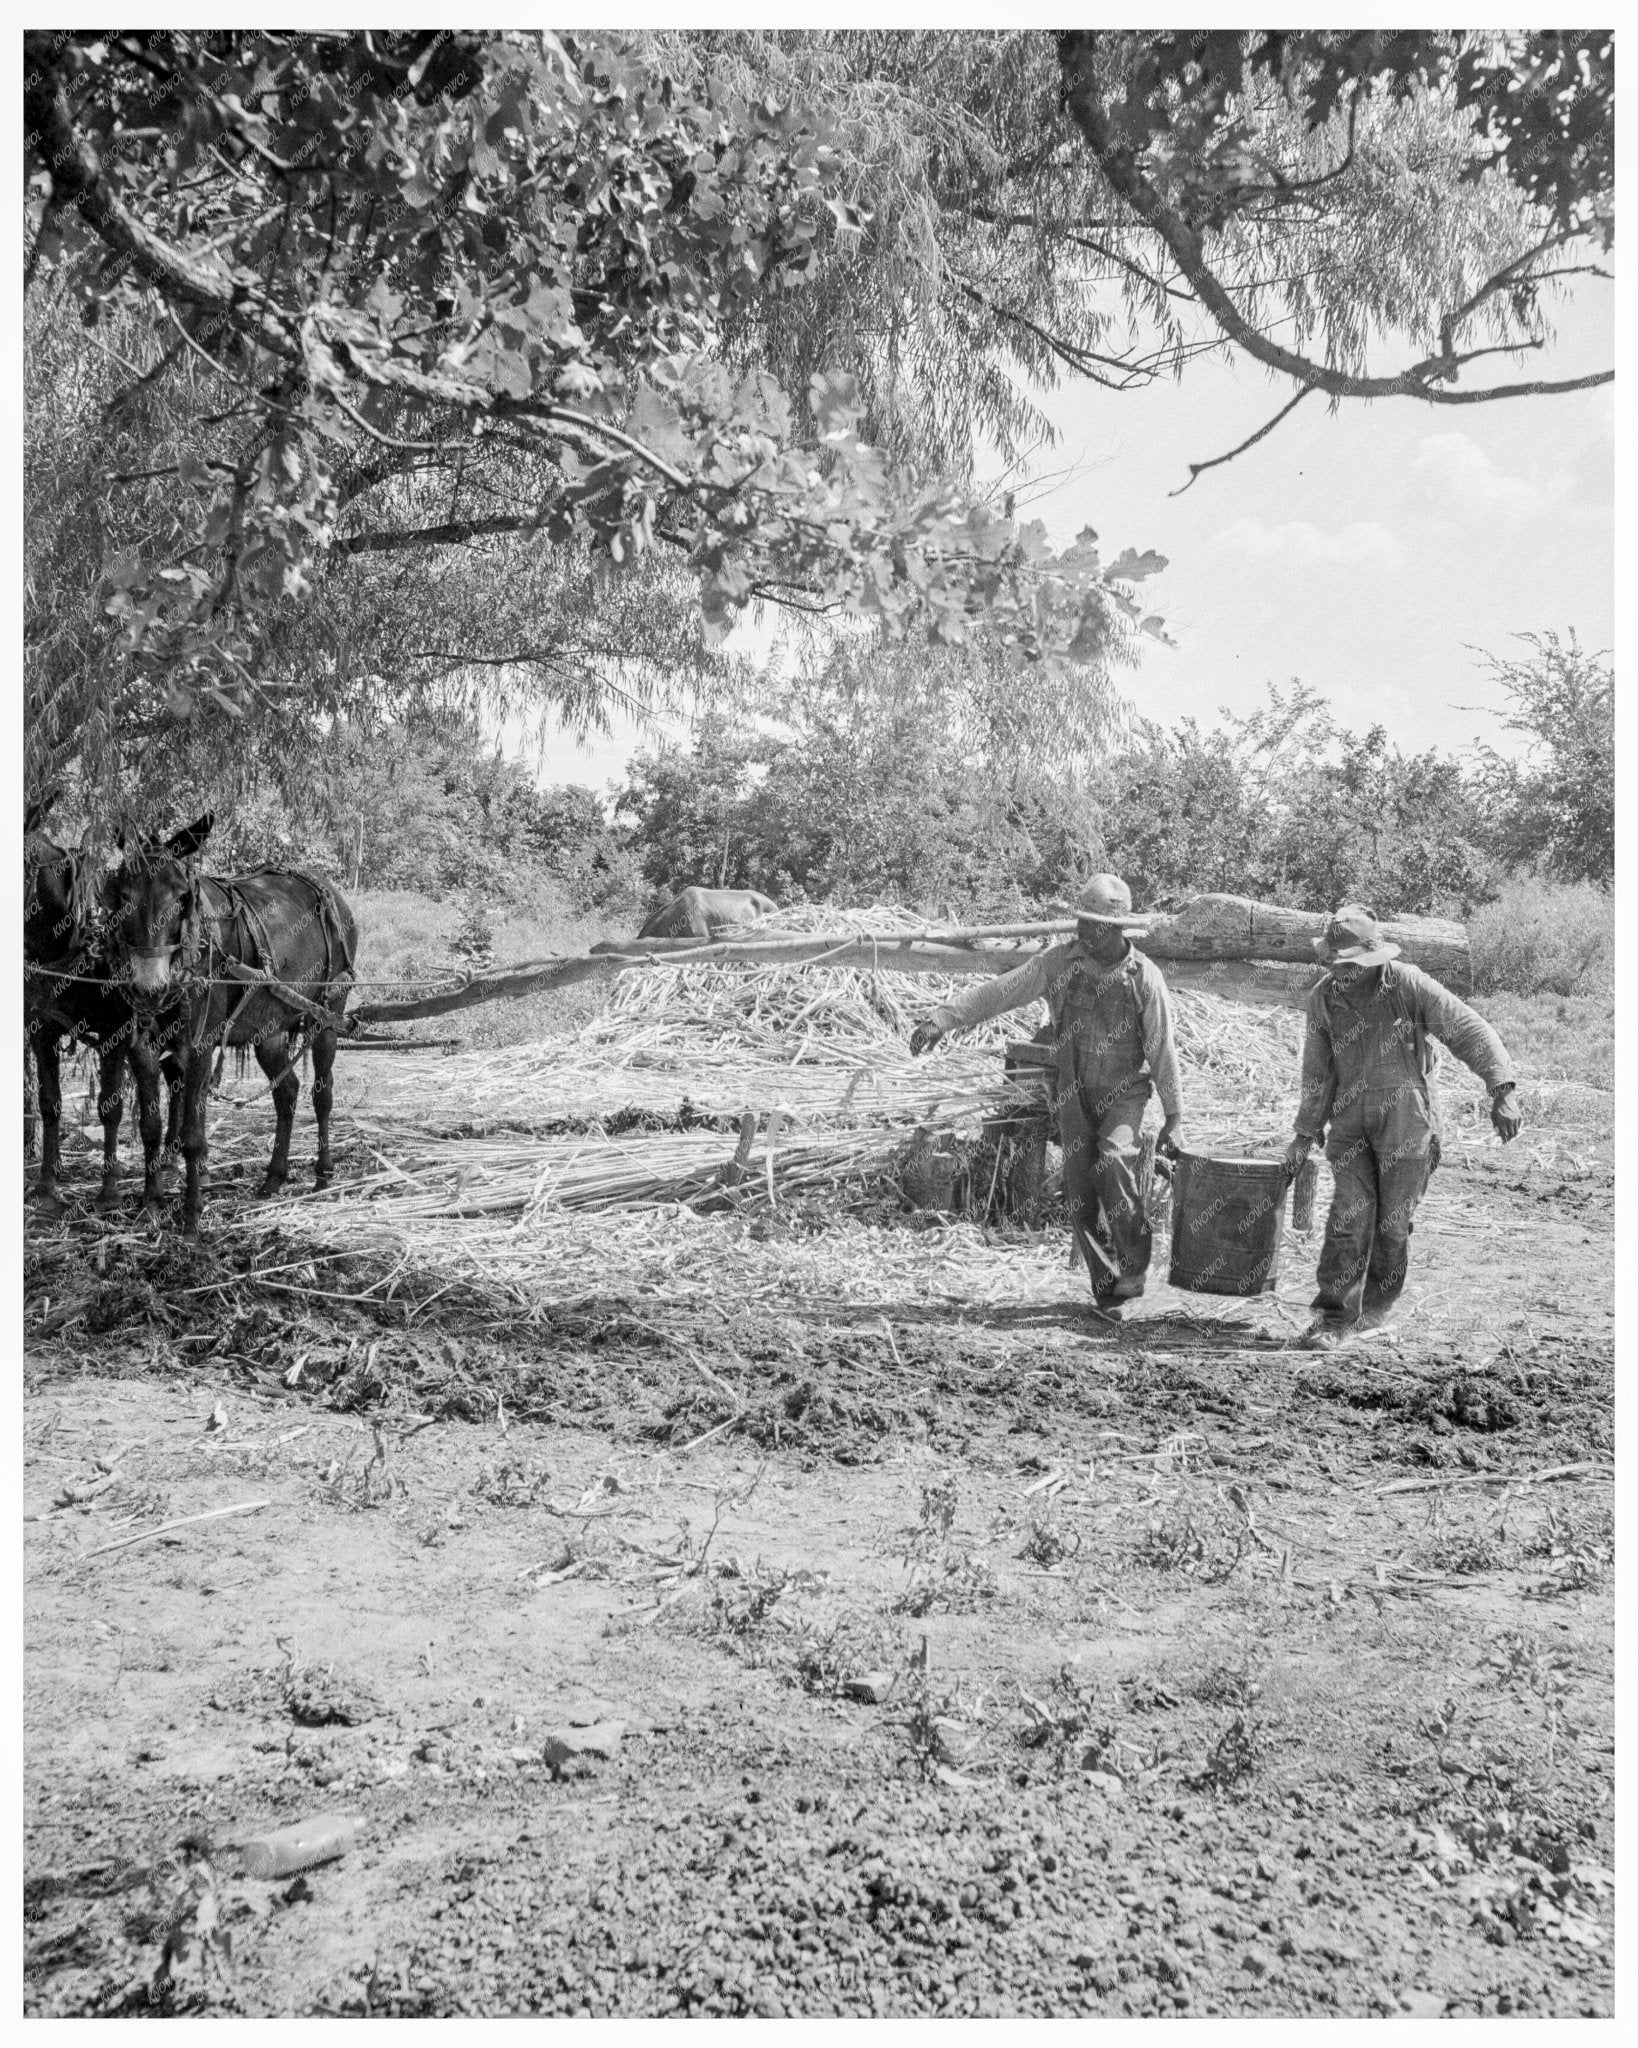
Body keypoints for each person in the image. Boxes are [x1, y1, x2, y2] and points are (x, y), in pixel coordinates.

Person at [909, 874, 1183, 1320]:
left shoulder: (1143, 977)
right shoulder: (1058, 963)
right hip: (1072, 1090)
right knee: (1079, 1193)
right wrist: (941, 1018)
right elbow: (1000, 992)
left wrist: (1175, 1115)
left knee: (1113, 1161)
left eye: (1092, 925)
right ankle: (1108, 1293)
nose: (1081, 931)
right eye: (1080, 921)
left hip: (1124, 1092)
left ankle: (1133, 1268)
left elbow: (1162, 1047)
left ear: (1117, 929)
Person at [1283, 904, 1522, 1350]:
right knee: (1349, 1217)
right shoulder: (1323, 997)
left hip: (1407, 1124)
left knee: (1393, 1226)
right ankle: (1333, 1317)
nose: (1343, 974)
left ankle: (1375, 1310)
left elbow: (1469, 1030)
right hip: (1349, 1125)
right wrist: (1303, 1133)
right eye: (1336, 965)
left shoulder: (1407, 984)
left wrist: (1501, 1088)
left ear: (1372, 957)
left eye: (1351, 965)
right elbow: (1318, 1073)